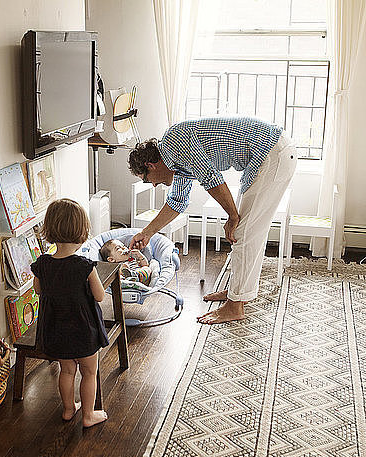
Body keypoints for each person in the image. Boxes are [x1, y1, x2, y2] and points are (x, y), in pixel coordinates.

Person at [127, 116, 297, 325]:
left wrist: (232, 216)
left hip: (272, 152)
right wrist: (147, 233)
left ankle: (236, 306)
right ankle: (238, 291)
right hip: (270, 154)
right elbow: (177, 202)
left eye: (146, 180)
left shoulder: (174, 142)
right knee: (247, 232)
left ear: (151, 166)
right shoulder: (176, 160)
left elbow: (211, 178)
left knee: (243, 233)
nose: (152, 185)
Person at [31, 198, 109, 428]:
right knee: (88, 372)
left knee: (66, 371)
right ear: (81, 232)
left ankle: (68, 409)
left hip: (56, 329)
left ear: (50, 230)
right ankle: (88, 415)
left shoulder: (43, 263)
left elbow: (38, 290)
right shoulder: (85, 266)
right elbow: (100, 296)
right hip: (84, 331)